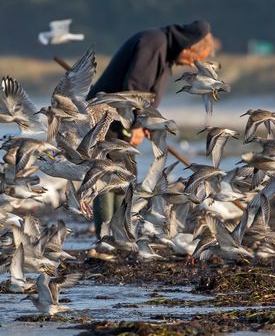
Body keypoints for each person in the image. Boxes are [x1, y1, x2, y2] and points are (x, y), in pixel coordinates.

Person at [86, 20, 215, 254]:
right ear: (188, 47)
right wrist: (136, 124)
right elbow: (135, 85)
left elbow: (149, 95)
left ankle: (117, 237)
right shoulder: (153, 43)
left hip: (123, 117)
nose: (193, 65)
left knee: (124, 176)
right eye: (194, 59)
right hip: (108, 117)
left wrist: (148, 122)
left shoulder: (164, 53)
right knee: (108, 175)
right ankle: (105, 241)